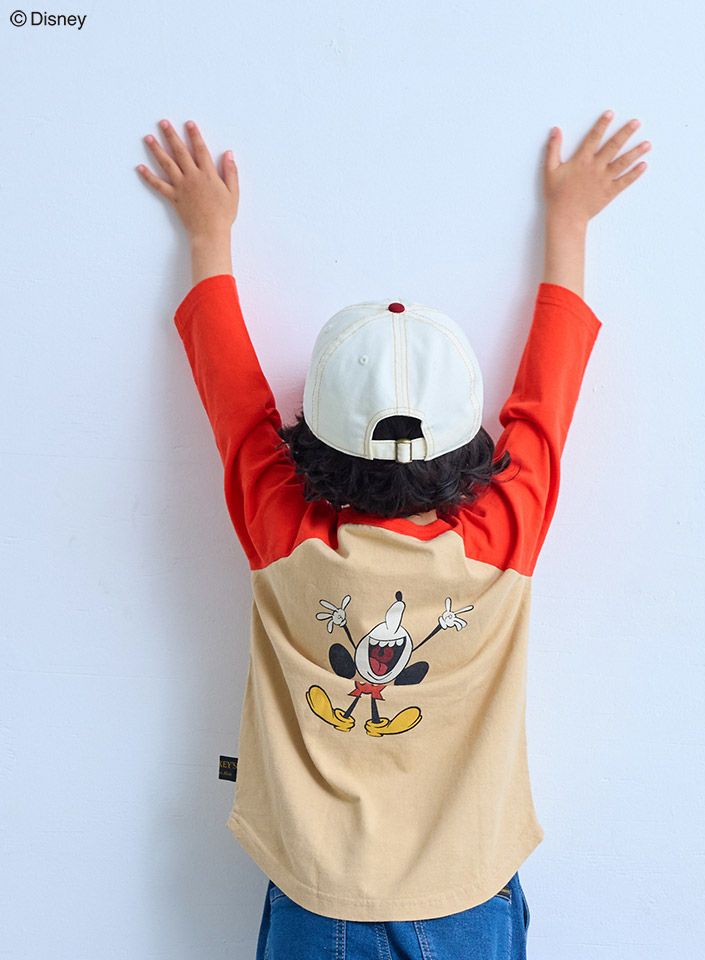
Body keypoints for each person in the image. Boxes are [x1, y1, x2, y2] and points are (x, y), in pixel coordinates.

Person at [136, 109, 649, 960]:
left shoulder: (284, 531)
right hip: (468, 894)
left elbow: (234, 401)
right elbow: (548, 397)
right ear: (471, 440)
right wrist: (570, 219)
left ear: (312, 436)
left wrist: (207, 234)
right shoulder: (501, 536)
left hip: (316, 899)